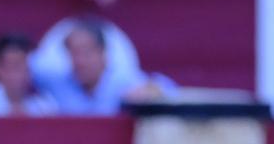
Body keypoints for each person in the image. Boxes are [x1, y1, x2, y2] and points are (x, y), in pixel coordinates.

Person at [33, 16, 171, 113]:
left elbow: (166, 88)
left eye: (86, 52)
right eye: (74, 53)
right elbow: (25, 68)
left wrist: (151, 91)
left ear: (102, 53)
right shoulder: (58, 82)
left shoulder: (121, 80)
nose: (80, 61)